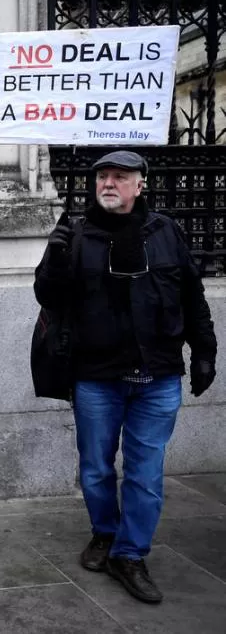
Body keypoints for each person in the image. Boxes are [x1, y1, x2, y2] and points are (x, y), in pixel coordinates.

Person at [34, 151, 216, 604]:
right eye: (102, 176)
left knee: (145, 472)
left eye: (120, 176)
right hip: (97, 375)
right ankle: (104, 531)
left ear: (141, 185)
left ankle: (130, 553)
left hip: (158, 375)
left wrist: (205, 351)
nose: (109, 183)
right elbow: (49, 298)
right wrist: (54, 262)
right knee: (96, 467)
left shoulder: (167, 232)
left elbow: (193, 296)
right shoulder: (74, 235)